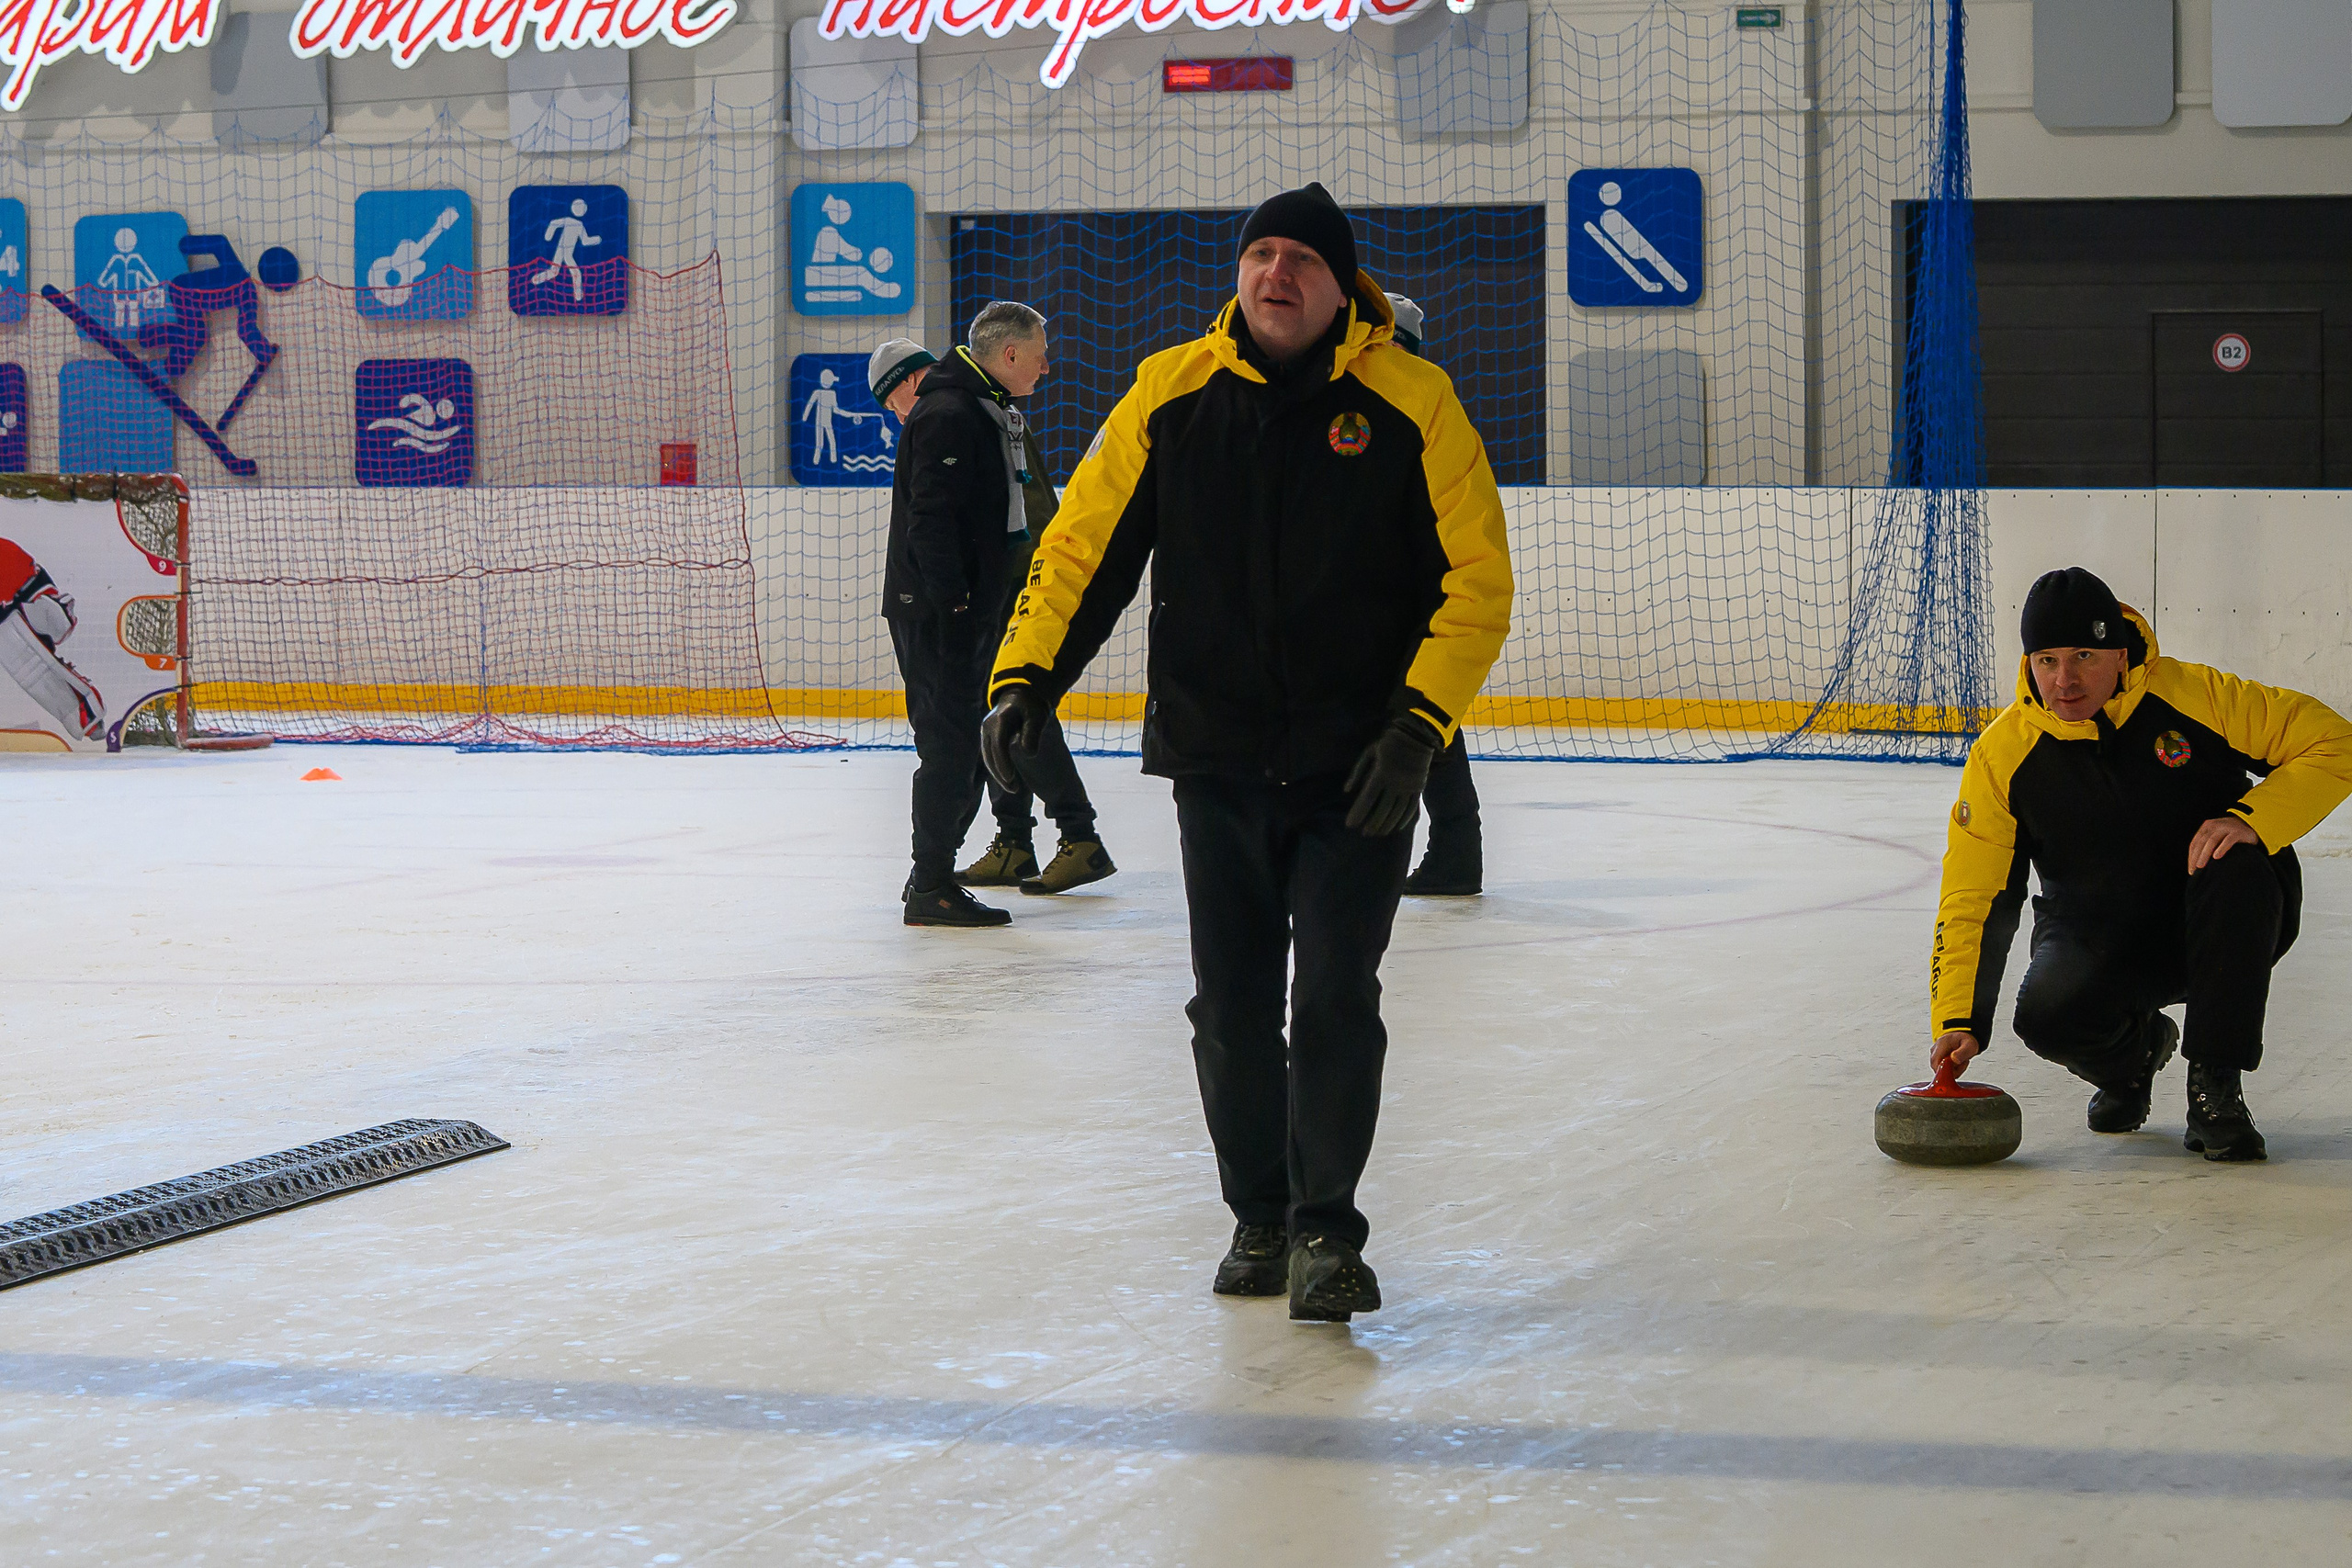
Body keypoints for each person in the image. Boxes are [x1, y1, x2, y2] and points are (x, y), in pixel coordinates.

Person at [982, 183, 1512, 1320]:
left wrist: (1419, 730)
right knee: (1227, 1011)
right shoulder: (1169, 394)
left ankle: (1327, 1230)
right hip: (1216, 766)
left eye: (1302, 261)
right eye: (1259, 253)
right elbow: (1083, 553)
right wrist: (1025, 675)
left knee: (1331, 1002)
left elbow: (1477, 585)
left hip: (1357, 776)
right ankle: (1257, 1220)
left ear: (1342, 286)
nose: (1276, 273)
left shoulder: (1414, 404)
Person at [1930, 567, 2352, 1162]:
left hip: (2216, 920)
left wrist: (2255, 818)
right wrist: (1958, 1014)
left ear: (2120, 653)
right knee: (2047, 1015)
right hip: (2097, 934)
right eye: (2046, 660)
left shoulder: (2193, 695)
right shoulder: (2004, 755)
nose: (2065, 680)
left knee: (2241, 863)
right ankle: (2135, 1060)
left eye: (2083, 655)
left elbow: (2334, 741)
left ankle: (2215, 1087)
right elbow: (1975, 892)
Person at [1385, 290, 1484, 897]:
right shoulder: (1426, 398)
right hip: (1420, 583)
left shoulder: (1408, 400)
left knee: (1419, 721)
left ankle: (1452, 852)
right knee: (1427, 720)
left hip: (1409, 587)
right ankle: (1455, 851)